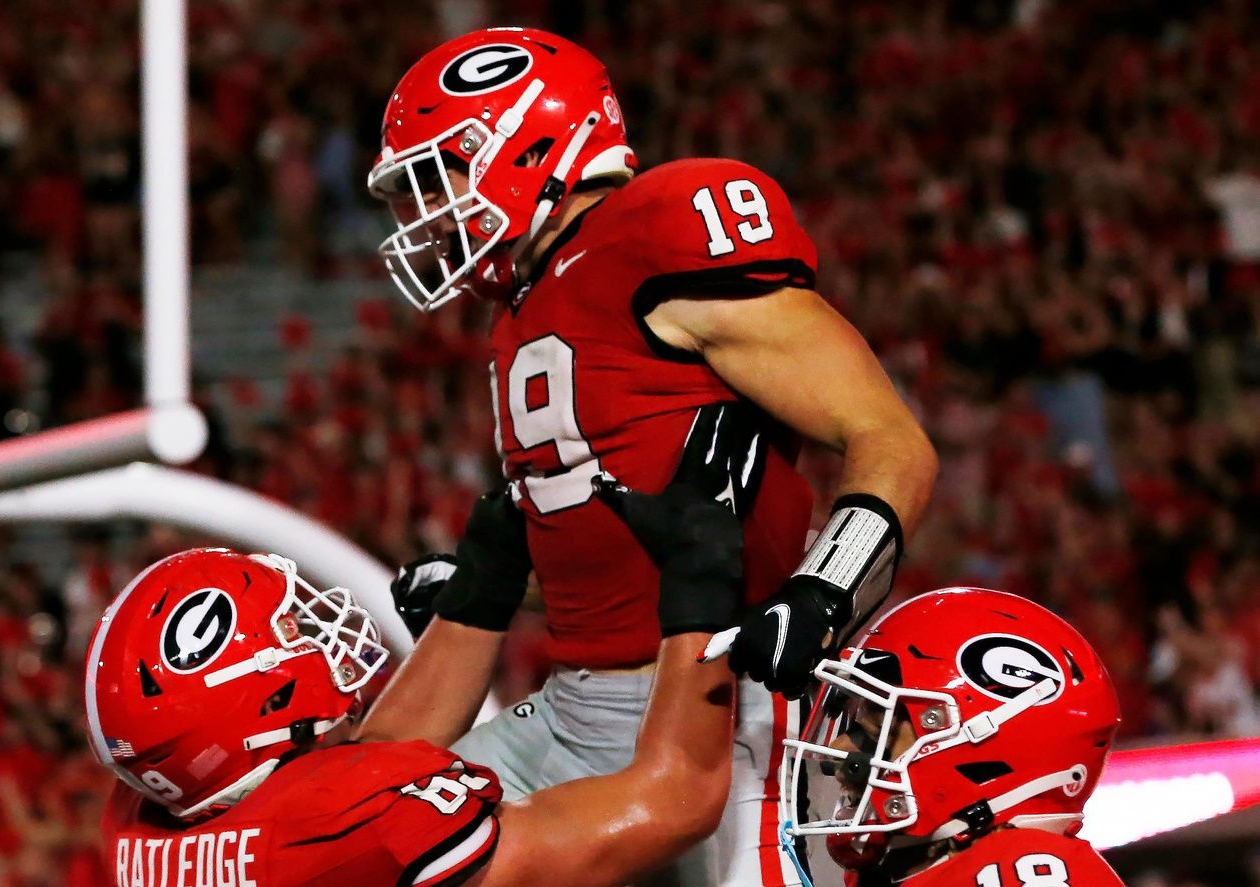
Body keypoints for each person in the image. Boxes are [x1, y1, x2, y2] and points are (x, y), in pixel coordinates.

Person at [367, 27, 938, 886]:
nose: (424, 213)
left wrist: (822, 593)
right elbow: (612, 539)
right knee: (366, 844)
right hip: (570, 708)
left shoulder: (662, 227)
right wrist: (488, 587)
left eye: (440, 174)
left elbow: (888, 438)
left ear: (528, 141)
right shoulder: (525, 299)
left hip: (724, 700)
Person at [84, 433, 745, 887]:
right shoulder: (360, 829)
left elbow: (352, 767)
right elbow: (676, 800)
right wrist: (700, 593)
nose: (313, 634)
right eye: (288, 629)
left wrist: (478, 594)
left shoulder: (148, 821)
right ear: (258, 705)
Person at [778, 587, 1125, 886]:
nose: (838, 751)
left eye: (876, 731)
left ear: (980, 747)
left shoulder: (1023, 868)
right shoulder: (905, 870)